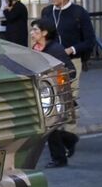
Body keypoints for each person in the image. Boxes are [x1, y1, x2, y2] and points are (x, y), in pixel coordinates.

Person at [41, 0, 95, 156]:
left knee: (69, 98)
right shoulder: (47, 12)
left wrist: (71, 49)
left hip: (72, 63)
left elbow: (89, 41)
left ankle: (69, 137)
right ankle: (57, 137)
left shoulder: (79, 13)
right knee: (51, 99)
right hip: (50, 63)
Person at [29, 18, 78, 167]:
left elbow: (71, 71)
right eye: (32, 30)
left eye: (35, 30)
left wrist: (55, 83)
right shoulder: (36, 48)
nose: (32, 33)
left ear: (44, 32)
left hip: (55, 95)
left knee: (50, 128)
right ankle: (69, 139)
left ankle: (59, 158)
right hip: (43, 94)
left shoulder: (55, 50)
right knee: (49, 128)